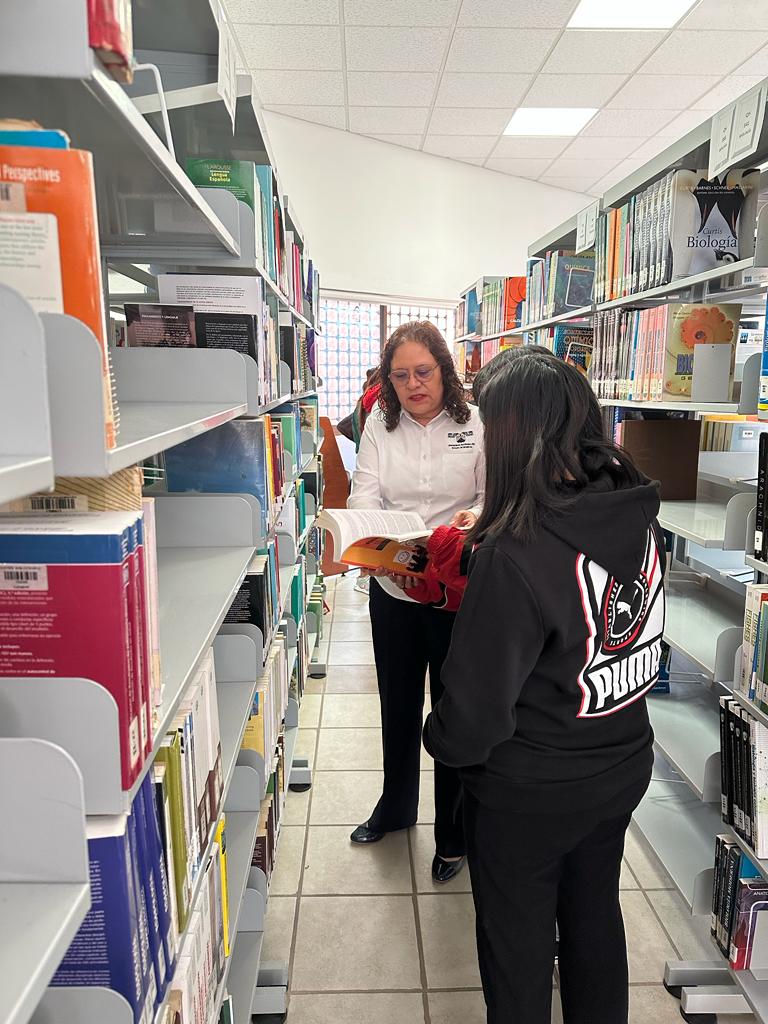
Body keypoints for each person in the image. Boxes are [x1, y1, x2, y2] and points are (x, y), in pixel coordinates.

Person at [424, 351, 665, 1024]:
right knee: (594, 920)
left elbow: (471, 722)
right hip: (619, 766)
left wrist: (436, 735)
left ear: (510, 437)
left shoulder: (515, 553)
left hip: (529, 792)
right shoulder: (635, 516)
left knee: (518, 951)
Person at [347, 320, 484, 883]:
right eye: (400, 375)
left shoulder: (476, 423)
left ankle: (453, 833)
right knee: (398, 702)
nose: (412, 384)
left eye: (422, 372)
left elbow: (489, 490)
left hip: (455, 588)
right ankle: (396, 807)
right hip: (395, 586)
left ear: (444, 371)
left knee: (452, 710)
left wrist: (473, 517)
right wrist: (377, 540)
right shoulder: (380, 424)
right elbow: (364, 492)